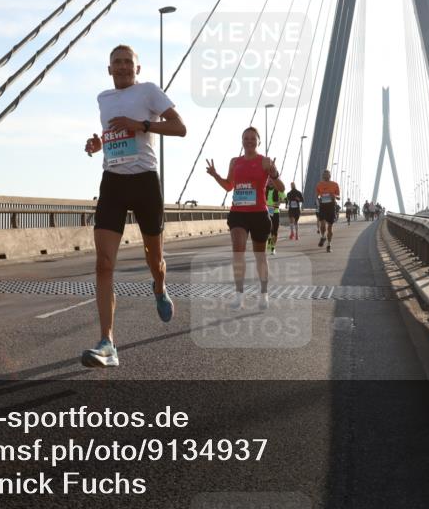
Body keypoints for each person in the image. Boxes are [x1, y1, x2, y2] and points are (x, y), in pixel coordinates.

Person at [81, 44, 187, 368]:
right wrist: (99, 144)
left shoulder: (150, 92)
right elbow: (113, 133)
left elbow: (179, 128)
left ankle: (159, 286)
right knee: (103, 263)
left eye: (129, 62)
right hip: (112, 182)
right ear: (109, 68)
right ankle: (107, 343)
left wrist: (141, 125)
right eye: (117, 62)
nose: (124, 67)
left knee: (154, 258)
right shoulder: (103, 98)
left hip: (145, 182)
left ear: (137, 69)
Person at [205, 127, 285, 310]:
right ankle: (239, 294)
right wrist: (215, 175)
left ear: (258, 141)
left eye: (252, 138)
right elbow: (228, 186)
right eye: (245, 138)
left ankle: (264, 294)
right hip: (238, 213)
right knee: (238, 252)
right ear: (241, 141)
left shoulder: (265, 162)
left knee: (260, 256)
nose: (249, 141)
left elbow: (280, 187)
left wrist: (274, 174)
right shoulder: (235, 162)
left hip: (259, 214)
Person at [314, 170, 340, 253]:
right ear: (322, 176)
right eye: (324, 174)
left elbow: (339, 197)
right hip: (323, 207)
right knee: (322, 225)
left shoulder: (335, 184)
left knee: (330, 227)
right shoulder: (319, 185)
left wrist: (334, 196)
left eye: (327, 174)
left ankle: (329, 245)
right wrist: (317, 200)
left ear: (330, 175)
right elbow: (317, 196)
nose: (326, 176)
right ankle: (323, 237)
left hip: (331, 207)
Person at [266, 183, 282, 255]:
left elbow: (285, 199)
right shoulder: (264, 189)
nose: (270, 182)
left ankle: (273, 247)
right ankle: (270, 242)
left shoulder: (278, 189)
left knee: (275, 231)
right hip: (267, 211)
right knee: (268, 230)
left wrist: (279, 202)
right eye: (269, 180)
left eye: (272, 180)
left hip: (275, 212)